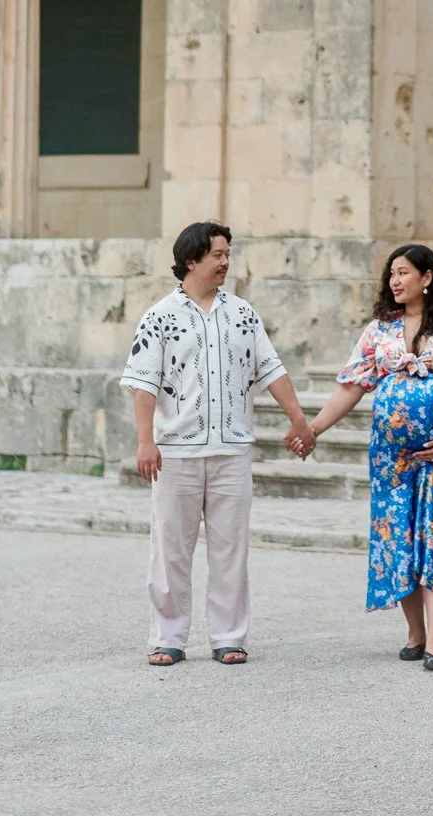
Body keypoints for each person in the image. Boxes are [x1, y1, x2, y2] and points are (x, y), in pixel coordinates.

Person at [120, 219, 314, 668]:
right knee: (170, 551)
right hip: (177, 454)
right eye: (219, 255)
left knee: (231, 550)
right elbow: (144, 385)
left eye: (228, 254)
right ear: (192, 260)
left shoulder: (242, 314)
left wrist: (299, 420)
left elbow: (271, 369)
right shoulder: (159, 317)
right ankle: (168, 637)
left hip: (231, 453)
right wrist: (145, 443)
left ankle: (229, 636)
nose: (227, 262)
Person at [306, 242, 433, 669]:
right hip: (392, 457)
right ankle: (415, 634)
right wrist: (312, 429)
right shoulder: (379, 331)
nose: (395, 280)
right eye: (391, 274)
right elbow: (351, 386)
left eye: (404, 272)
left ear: (427, 278)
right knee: (398, 536)